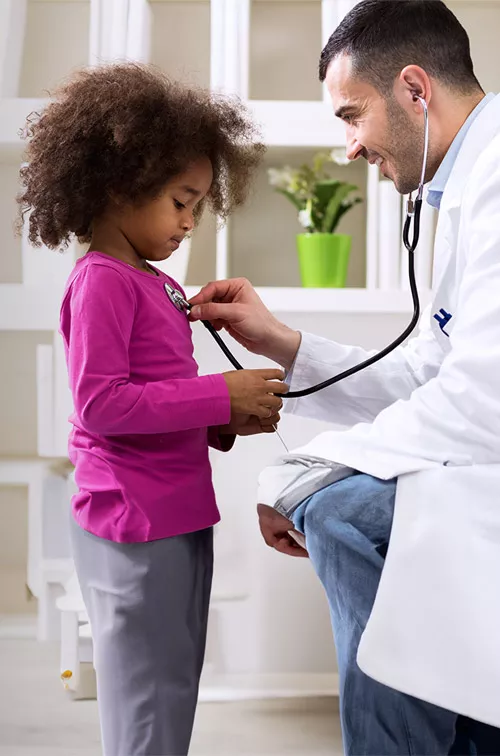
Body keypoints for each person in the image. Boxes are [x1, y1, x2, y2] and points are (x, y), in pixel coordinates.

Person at [189, 1, 500, 754]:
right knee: (340, 506)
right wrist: (285, 344)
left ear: (415, 91)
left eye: (351, 116)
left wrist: (300, 474)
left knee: (338, 511)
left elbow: (482, 399)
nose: (350, 148)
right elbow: (437, 369)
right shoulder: (465, 184)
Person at [17, 63, 288, 756]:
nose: (190, 220)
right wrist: (219, 395)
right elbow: (104, 404)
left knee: (170, 687)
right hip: (133, 524)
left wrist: (222, 420)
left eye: (198, 203)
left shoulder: (153, 282)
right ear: (117, 186)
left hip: (174, 512)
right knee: (147, 699)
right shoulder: (102, 281)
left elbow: (157, 392)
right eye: (180, 200)